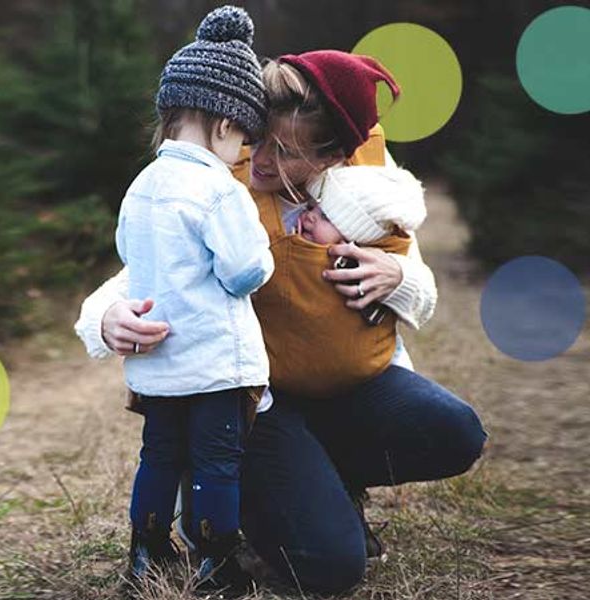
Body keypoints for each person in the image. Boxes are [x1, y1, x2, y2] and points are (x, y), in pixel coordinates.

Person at [75, 50, 487, 594]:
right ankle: (248, 495)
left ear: (333, 155)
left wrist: (398, 277)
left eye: (285, 151)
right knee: (332, 568)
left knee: (455, 431)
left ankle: (325, 482)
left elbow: (421, 288)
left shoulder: (367, 191)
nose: (261, 159)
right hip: (255, 402)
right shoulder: (222, 184)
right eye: (257, 139)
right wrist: (105, 318)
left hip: (348, 389)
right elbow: (146, 271)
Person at [116, 5, 272, 591]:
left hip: (158, 364)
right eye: (246, 140)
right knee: (214, 464)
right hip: (214, 363)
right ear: (226, 125)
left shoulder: (141, 186)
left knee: (158, 457)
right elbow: (244, 271)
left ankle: (146, 550)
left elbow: (131, 257)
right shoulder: (217, 188)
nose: (244, 154)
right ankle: (218, 558)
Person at [263, 164, 428, 399]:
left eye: (326, 217)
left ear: (355, 239)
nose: (308, 216)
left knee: (456, 421)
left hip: (370, 374)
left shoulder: (378, 216)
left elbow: (425, 299)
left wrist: (401, 277)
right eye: (310, 207)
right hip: (284, 382)